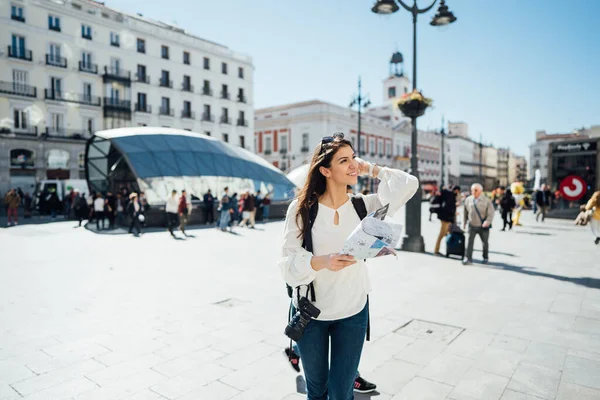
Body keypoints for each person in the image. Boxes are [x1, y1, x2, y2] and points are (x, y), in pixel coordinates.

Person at [279, 132, 418, 400]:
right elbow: (287, 263)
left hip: (353, 311)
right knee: (317, 392)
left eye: (354, 157)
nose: (353, 164)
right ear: (325, 170)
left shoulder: (363, 205)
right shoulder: (302, 209)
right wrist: (324, 262)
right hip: (312, 313)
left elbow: (408, 184)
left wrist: (370, 168)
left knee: (342, 394)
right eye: (344, 161)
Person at [462, 183, 495, 265]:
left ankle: (485, 257)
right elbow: (465, 212)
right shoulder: (468, 199)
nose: (473, 192)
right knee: (469, 242)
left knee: (485, 242)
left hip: (483, 226)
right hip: (472, 225)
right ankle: (468, 258)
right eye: (472, 190)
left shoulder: (486, 200)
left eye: (475, 190)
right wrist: (464, 223)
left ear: (480, 191)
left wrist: (488, 221)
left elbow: (491, 212)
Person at [434, 185, 461, 255]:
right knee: (442, 234)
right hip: (446, 218)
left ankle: (446, 249)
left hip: (445, 217)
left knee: (445, 233)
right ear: (457, 190)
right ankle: (436, 250)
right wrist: (455, 207)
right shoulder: (451, 195)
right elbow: (449, 207)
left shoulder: (449, 194)